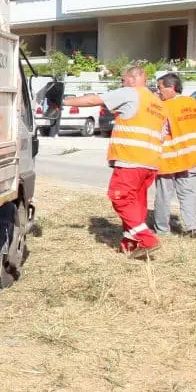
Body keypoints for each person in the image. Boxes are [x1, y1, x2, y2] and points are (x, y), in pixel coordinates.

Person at [64, 65, 167, 256]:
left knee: (119, 198)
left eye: (123, 79)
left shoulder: (130, 93)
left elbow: (94, 100)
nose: (121, 83)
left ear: (133, 79)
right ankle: (130, 244)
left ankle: (146, 238)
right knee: (136, 203)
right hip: (150, 162)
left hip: (131, 159)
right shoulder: (157, 103)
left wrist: (65, 101)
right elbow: (162, 134)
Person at [154, 73, 196, 239]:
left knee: (164, 194)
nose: (158, 92)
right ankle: (191, 226)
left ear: (171, 88)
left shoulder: (165, 107)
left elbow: (160, 132)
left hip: (169, 157)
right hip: (189, 157)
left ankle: (162, 230)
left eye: (160, 88)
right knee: (187, 192)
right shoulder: (193, 103)